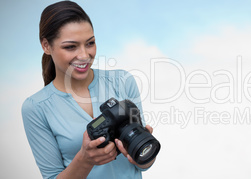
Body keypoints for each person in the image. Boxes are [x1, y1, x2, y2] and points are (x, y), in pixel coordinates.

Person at [21, 1, 156, 178]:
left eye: (90, 43)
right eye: (70, 46)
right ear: (46, 46)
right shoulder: (36, 108)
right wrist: (85, 160)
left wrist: (144, 147)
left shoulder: (123, 81)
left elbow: (143, 164)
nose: (85, 55)